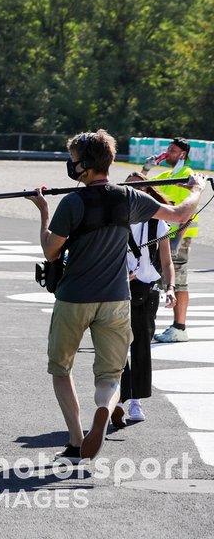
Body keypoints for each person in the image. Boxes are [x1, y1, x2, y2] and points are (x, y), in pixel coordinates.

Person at [28, 130, 203, 462]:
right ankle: (105, 410)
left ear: (86, 166)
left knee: (61, 369)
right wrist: (196, 189)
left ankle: (77, 440)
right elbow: (180, 214)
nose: (71, 165)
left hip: (74, 297)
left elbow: (51, 251)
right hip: (115, 298)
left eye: (74, 161)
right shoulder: (129, 198)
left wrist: (42, 212)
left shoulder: (72, 202)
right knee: (110, 376)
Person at [113, 172, 176, 427]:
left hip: (147, 290)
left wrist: (170, 287)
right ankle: (118, 398)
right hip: (117, 290)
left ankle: (136, 400)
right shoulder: (115, 220)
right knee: (116, 346)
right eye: (127, 188)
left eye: (138, 188)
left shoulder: (157, 223)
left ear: (147, 194)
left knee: (141, 347)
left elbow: (167, 261)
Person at [153, 137, 199, 343]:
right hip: (164, 236)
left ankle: (180, 327)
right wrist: (145, 170)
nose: (167, 153)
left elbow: (187, 211)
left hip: (178, 238)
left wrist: (175, 241)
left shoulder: (187, 175)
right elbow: (141, 191)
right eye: (167, 149)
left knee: (178, 282)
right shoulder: (166, 175)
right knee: (160, 280)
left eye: (172, 150)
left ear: (183, 154)